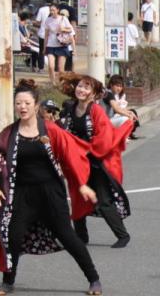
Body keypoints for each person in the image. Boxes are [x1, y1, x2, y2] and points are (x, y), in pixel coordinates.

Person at [0, 80, 102, 296]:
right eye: (18, 103)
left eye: (27, 102)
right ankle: (8, 281)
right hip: (21, 194)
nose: (22, 107)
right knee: (12, 235)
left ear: (36, 105)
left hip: (50, 193)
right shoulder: (9, 134)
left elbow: (71, 156)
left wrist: (81, 184)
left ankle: (93, 278)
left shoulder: (50, 131)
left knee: (68, 236)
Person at [57, 75, 134, 248]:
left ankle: (123, 235)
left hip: (96, 162)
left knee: (104, 200)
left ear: (93, 94)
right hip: (77, 163)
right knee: (77, 198)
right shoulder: (70, 108)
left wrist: (84, 148)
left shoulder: (96, 111)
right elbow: (61, 131)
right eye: (80, 86)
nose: (81, 90)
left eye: (86, 88)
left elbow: (104, 139)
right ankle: (81, 237)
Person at [102, 74, 141, 138]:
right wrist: (129, 115)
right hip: (105, 122)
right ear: (111, 85)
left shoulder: (112, 94)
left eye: (121, 86)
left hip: (109, 119)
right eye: (117, 86)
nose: (119, 88)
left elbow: (119, 108)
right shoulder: (108, 94)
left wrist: (129, 112)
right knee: (126, 119)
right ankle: (121, 137)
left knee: (130, 113)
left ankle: (125, 135)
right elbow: (116, 109)